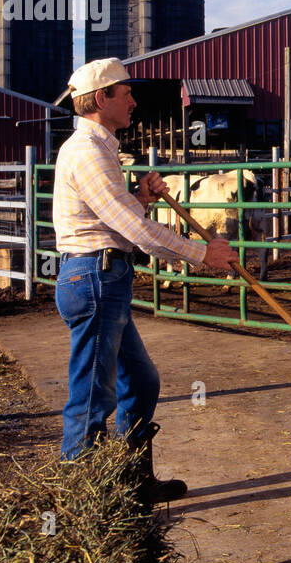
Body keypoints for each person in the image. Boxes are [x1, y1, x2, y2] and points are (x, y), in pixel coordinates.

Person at [52, 58, 234, 500]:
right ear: (100, 99)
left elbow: (117, 216)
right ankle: (82, 499)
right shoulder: (89, 152)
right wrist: (201, 253)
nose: (134, 101)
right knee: (94, 392)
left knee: (140, 381)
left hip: (103, 277)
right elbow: (131, 230)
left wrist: (141, 197)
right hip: (95, 277)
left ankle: (132, 481)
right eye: (126, 92)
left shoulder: (100, 149)